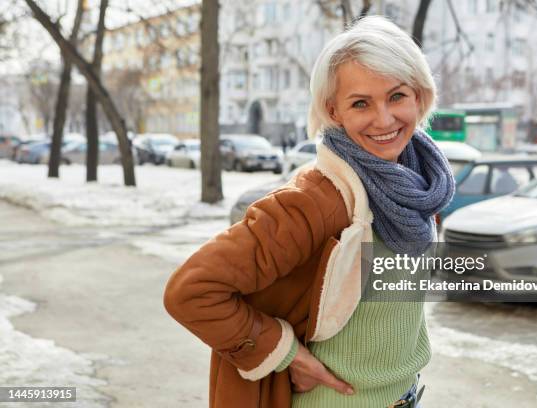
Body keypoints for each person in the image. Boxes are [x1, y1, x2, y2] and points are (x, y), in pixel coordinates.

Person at [164, 15, 454, 408]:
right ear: (334, 111)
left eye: (397, 96)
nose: (384, 119)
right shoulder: (316, 199)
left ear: (420, 95)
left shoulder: (419, 185)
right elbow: (191, 291)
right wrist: (287, 355)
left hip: (404, 396)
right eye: (361, 103)